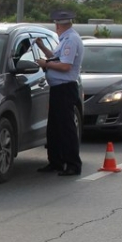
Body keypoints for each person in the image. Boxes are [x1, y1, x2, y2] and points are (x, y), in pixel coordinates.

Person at [34, 10, 85, 176]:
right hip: (58, 88)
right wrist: (42, 48)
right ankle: (56, 162)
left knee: (66, 128)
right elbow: (56, 58)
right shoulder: (64, 40)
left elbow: (65, 66)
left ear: (58, 25)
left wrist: (45, 65)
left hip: (65, 87)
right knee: (54, 128)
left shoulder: (71, 40)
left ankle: (72, 164)